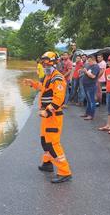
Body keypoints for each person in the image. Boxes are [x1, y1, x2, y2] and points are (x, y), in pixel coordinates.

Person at [23, 51, 73, 183]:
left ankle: (64, 171)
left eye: (47, 63)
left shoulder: (58, 78)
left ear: (54, 63)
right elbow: (43, 89)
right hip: (46, 116)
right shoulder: (48, 76)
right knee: (45, 141)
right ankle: (47, 164)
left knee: (53, 143)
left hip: (53, 116)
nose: (44, 66)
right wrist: (32, 83)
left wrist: (48, 111)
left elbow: (59, 98)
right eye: (43, 63)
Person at [81, 54, 101, 120]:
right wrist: (83, 71)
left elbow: (93, 76)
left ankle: (91, 115)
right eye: (88, 61)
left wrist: (86, 72)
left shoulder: (96, 67)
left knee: (92, 101)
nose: (88, 62)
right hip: (86, 85)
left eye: (89, 61)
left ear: (93, 60)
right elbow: (85, 70)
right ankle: (87, 113)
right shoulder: (89, 65)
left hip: (91, 85)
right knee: (88, 100)